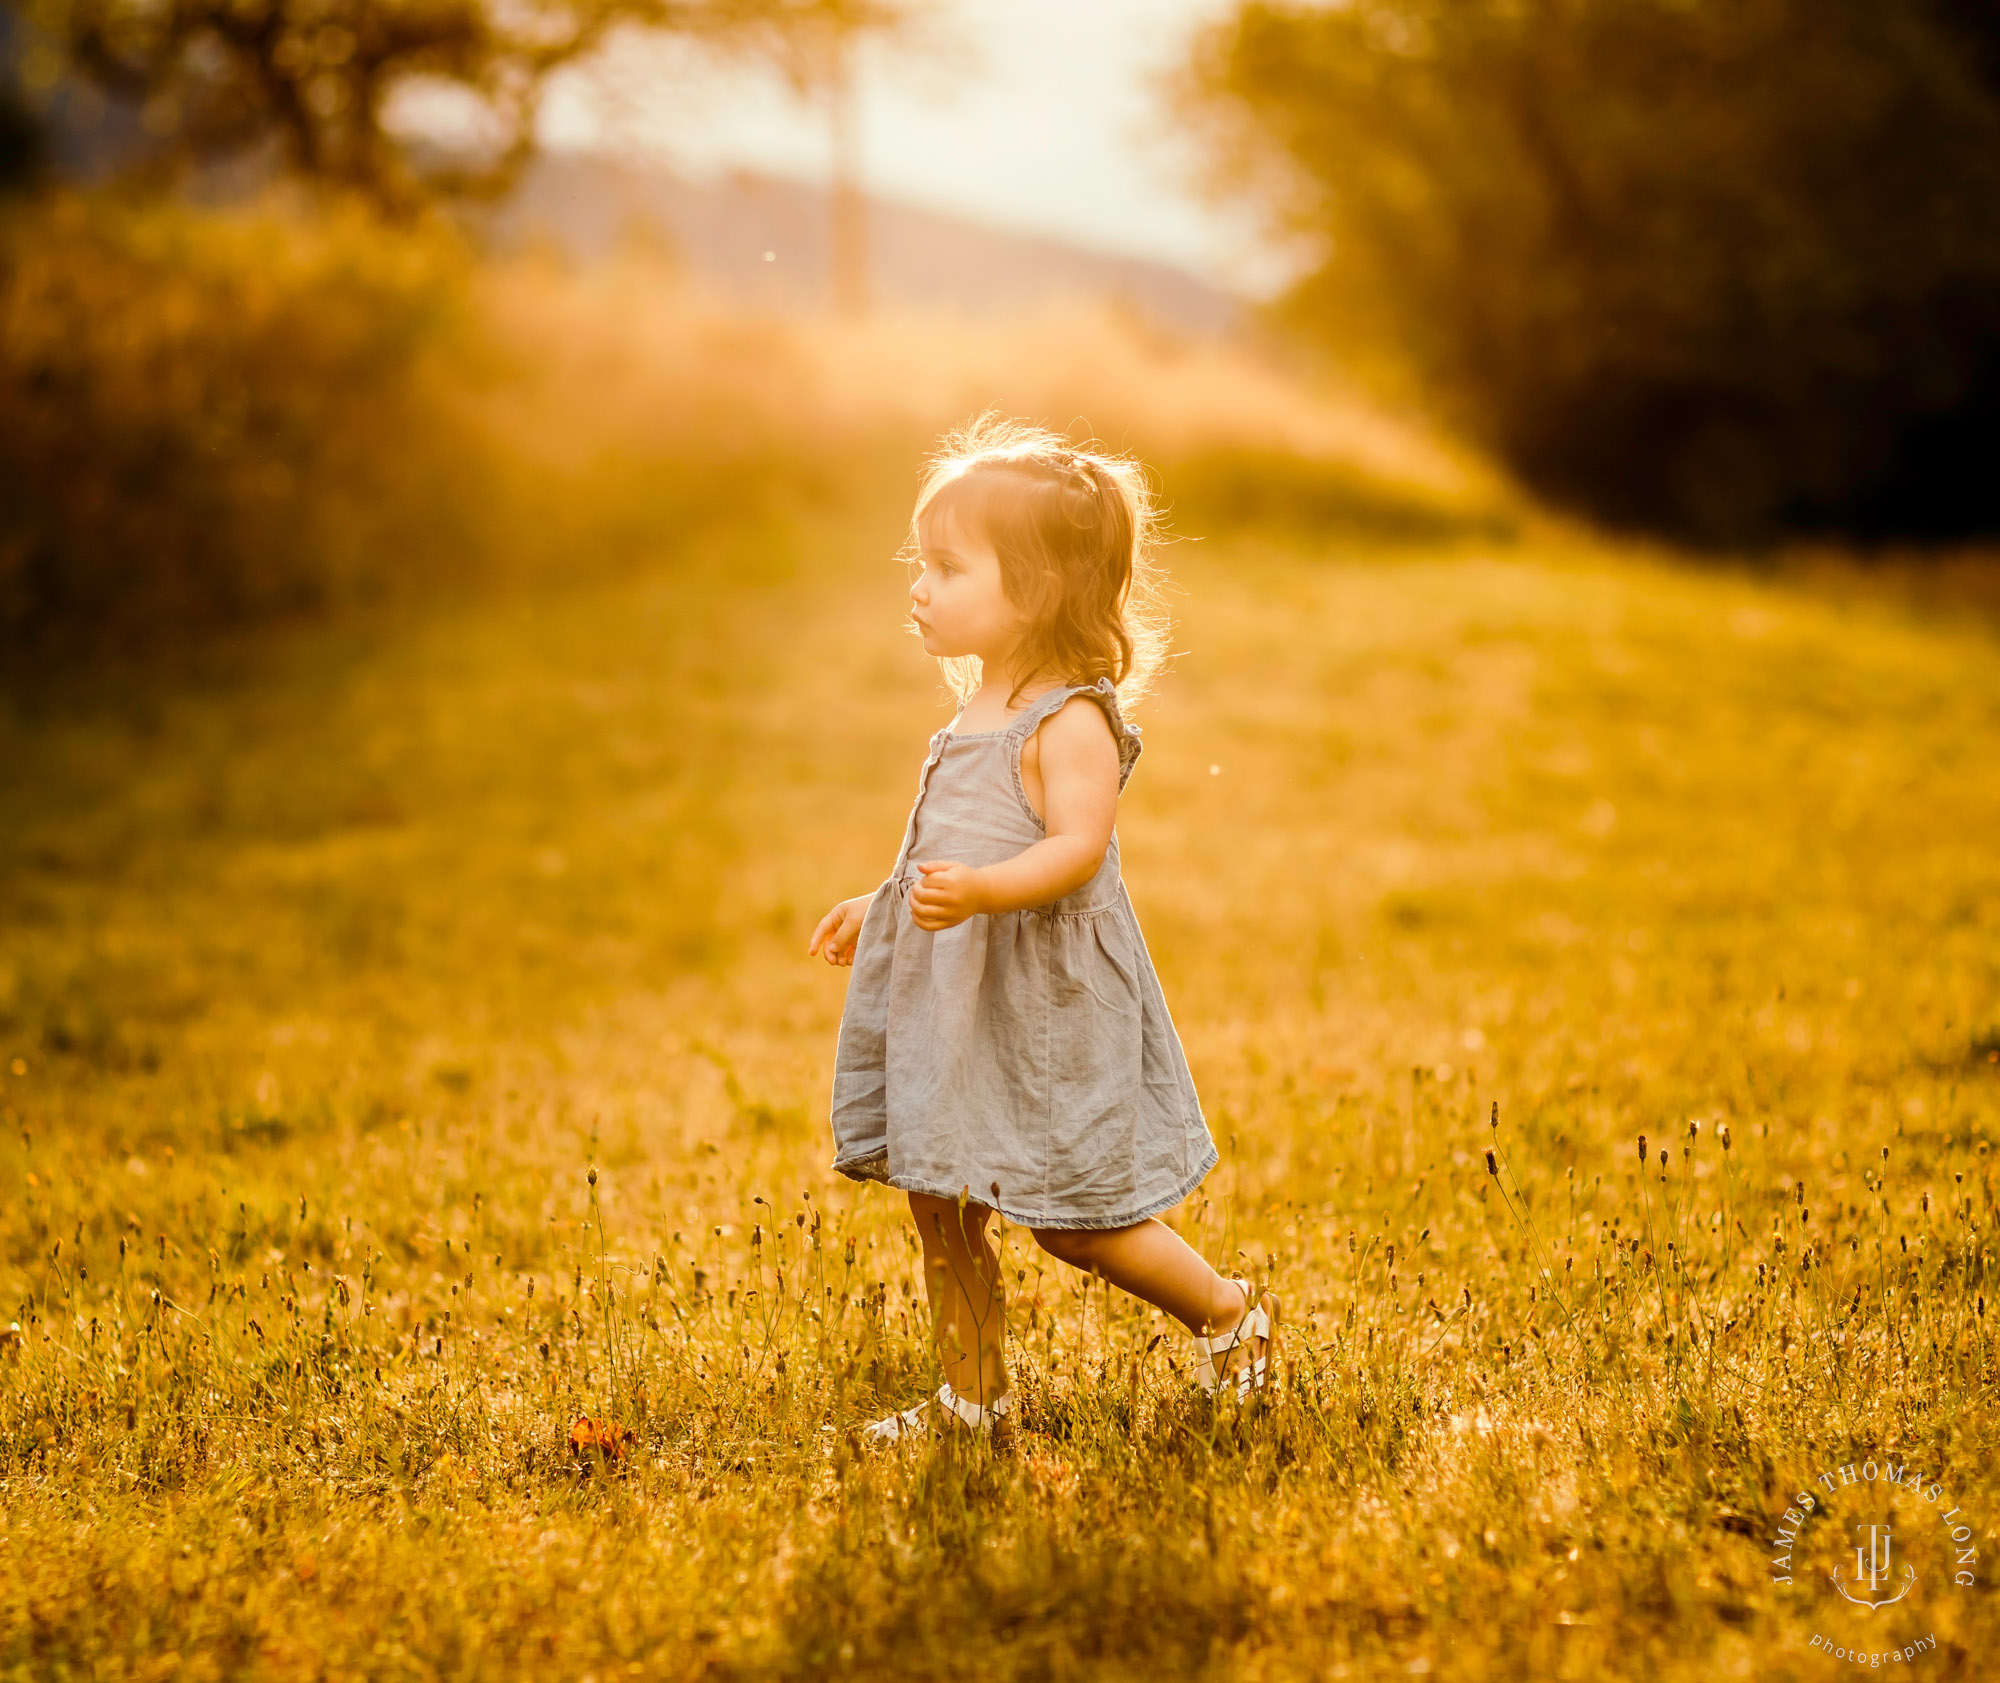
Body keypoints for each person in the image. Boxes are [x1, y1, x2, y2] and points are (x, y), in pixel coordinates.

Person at [807, 412, 1277, 1442]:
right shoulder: (969, 712)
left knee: (1076, 1218)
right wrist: (879, 903)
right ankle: (971, 1402)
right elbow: (942, 840)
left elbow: (1074, 847)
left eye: (945, 566)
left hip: (1040, 1001)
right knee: (941, 1206)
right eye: (917, 564)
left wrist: (979, 893)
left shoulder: (1069, 719)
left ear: (1039, 590)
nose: (918, 587)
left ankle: (1228, 1315)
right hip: (952, 997)